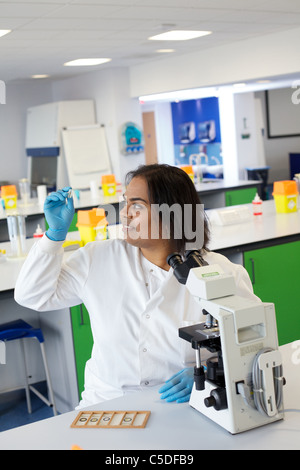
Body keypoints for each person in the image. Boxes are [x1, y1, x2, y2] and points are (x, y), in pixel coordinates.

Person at [14, 164, 260, 408]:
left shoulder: (220, 273)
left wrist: (208, 371)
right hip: (106, 404)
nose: (125, 213)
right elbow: (32, 295)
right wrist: (54, 235)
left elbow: (255, 343)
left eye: (138, 205)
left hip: (185, 405)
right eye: (125, 202)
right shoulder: (98, 258)